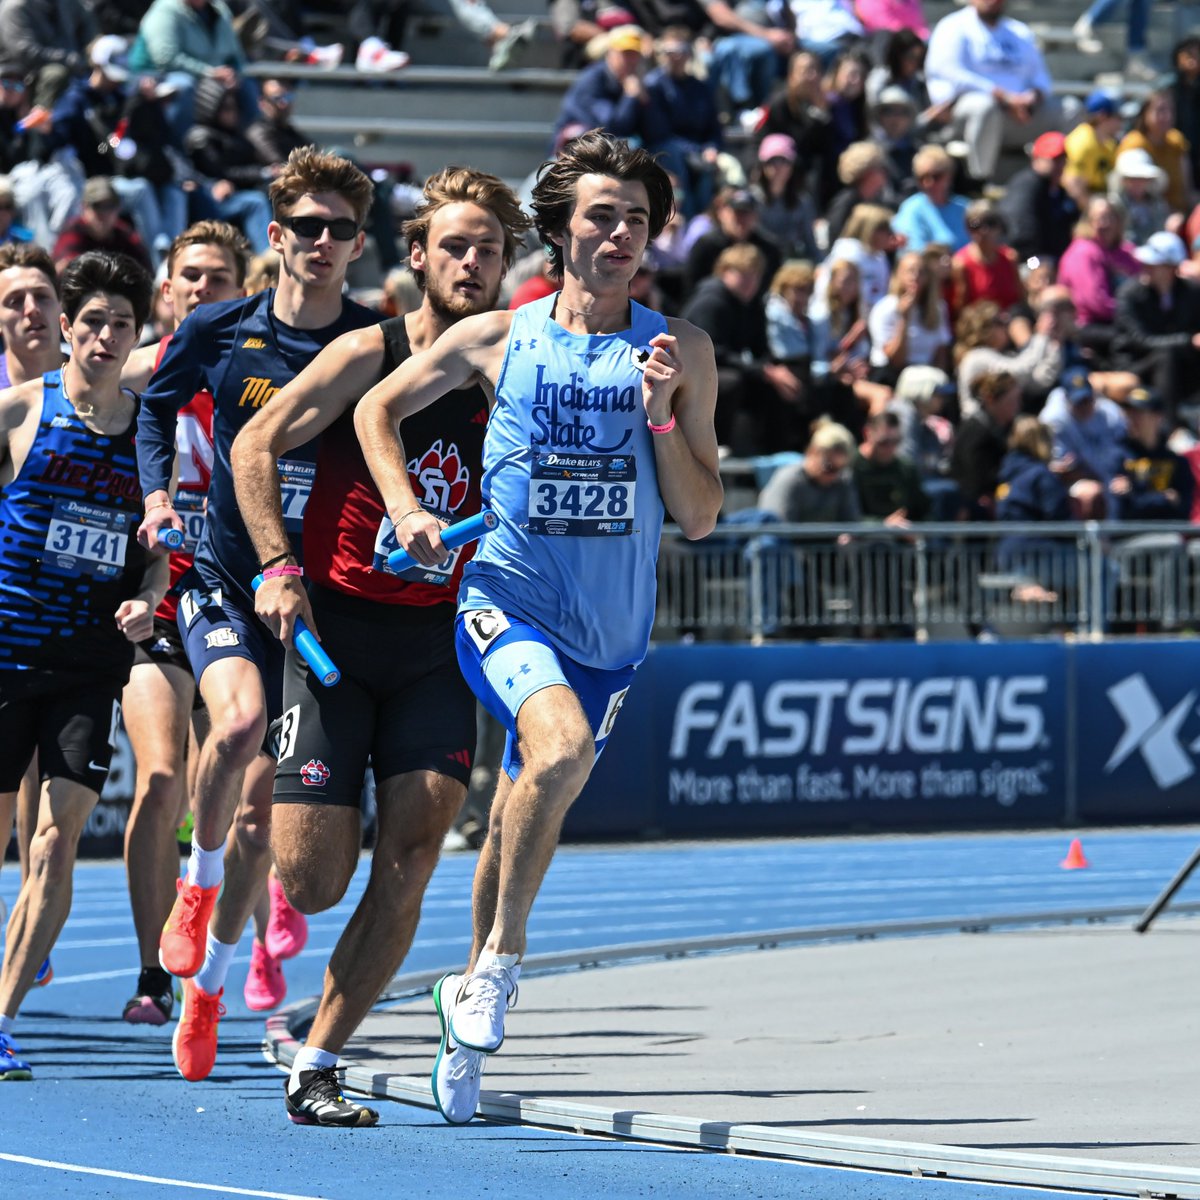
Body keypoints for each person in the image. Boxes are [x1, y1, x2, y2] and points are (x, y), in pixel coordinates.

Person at [353, 129, 721, 1124]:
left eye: (638, 219)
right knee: (551, 755)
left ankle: (467, 986)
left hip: (612, 635)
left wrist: (656, 417)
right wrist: (407, 510)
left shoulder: (678, 348)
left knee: (531, 803)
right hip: (505, 599)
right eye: (602, 214)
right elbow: (375, 414)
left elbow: (697, 514)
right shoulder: (499, 338)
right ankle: (503, 970)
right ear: (559, 229)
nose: (622, 232)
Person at [231, 165, 531, 1128]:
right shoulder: (367, 353)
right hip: (336, 641)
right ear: (417, 256)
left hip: (444, 643)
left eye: (489, 247)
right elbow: (254, 448)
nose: (473, 261)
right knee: (315, 881)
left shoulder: (518, 363)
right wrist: (277, 567)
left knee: (410, 859)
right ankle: (279, 845)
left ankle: (319, 1059)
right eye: (455, 244)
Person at [135, 147, 378, 1083]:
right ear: (275, 236)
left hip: (318, 606)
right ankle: (190, 897)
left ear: (357, 246)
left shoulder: (369, 342)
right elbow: (155, 408)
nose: (321, 243)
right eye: (305, 228)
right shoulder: (219, 328)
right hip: (229, 577)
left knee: (261, 823)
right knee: (231, 726)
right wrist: (157, 498)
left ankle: (211, 987)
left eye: (339, 230)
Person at [0, 251, 162, 1081]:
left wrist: (149, 597)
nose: (104, 336)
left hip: (88, 667)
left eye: (121, 325)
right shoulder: (21, 411)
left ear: (140, 335)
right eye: (92, 321)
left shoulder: (149, 432)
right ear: (68, 325)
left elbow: (161, 549)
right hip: (5, 653)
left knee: (56, 844)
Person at [117, 220, 251, 1026]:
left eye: (219, 278)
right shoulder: (138, 377)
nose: (203, 289)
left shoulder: (256, 375)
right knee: (161, 777)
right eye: (189, 277)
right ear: (167, 291)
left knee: (222, 793)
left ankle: (207, 923)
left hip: (229, 599)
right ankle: (149, 974)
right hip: (154, 608)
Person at [681, 242, 805, 454]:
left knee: (784, 383)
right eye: (743, 274)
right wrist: (764, 371)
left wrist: (773, 370)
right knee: (730, 383)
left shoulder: (753, 304)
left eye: (755, 275)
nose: (750, 282)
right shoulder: (711, 301)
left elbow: (760, 348)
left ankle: (777, 451)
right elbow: (711, 352)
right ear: (724, 272)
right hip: (691, 371)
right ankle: (714, 446)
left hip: (730, 366)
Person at [924, 0, 1062, 186]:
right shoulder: (952, 26)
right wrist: (1003, 97)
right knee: (984, 107)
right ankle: (981, 182)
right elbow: (949, 72)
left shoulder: (1019, 31)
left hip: (1020, 114)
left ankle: (1063, 183)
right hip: (965, 114)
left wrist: (1032, 97)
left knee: (1069, 109)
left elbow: (1041, 77)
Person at [1113, 230, 1200, 421]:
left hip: (1181, 364)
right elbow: (1141, 340)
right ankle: (1170, 427)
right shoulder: (1130, 295)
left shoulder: (1190, 292)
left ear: (1171, 268)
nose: (1145, 267)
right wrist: (1189, 341)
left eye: (1153, 264)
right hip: (1136, 364)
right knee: (1166, 357)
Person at [997, 131, 1079, 264]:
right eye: (1054, 159)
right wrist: (1037, 263)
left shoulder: (1060, 191)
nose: (1060, 164)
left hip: (1057, 260)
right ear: (1036, 159)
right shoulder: (1026, 186)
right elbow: (1020, 233)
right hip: (1029, 261)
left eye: (1063, 158)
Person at [950, 367, 1020, 516]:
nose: (1017, 406)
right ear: (991, 400)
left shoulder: (1009, 428)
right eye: (1011, 401)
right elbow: (973, 479)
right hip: (975, 507)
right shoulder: (975, 430)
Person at [53, 177, 153, 276]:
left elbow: (146, 272)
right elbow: (62, 268)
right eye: (97, 206)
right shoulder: (72, 232)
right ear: (84, 207)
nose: (104, 213)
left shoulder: (125, 235)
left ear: (118, 208)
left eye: (110, 206)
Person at [891, 144, 969, 253]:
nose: (928, 183)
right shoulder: (910, 209)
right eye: (922, 178)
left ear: (949, 176)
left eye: (936, 176)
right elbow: (914, 251)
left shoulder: (965, 207)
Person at [951, 199, 1022, 316]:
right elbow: (960, 309)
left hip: (1011, 321)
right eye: (975, 225)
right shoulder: (961, 264)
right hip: (980, 326)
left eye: (990, 223)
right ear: (968, 229)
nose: (984, 231)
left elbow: (1021, 298)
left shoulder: (1010, 258)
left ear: (999, 226)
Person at [1064, 89, 1124, 202]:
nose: (1121, 123)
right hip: (1075, 210)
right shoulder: (1081, 143)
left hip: (1097, 201)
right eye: (1118, 117)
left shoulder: (1108, 143)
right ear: (1102, 116)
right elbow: (1073, 186)